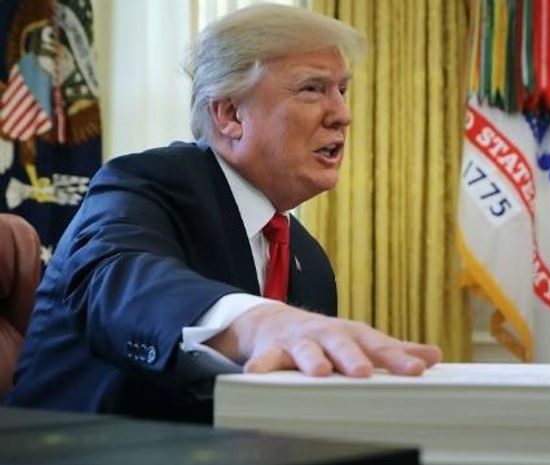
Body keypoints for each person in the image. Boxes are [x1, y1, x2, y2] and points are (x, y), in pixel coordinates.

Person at [4, 4, 441, 424]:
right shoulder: (145, 184)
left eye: (342, 90)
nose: (342, 115)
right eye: (312, 88)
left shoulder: (311, 264)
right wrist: (256, 324)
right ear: (231, 114)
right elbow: (116, 277)